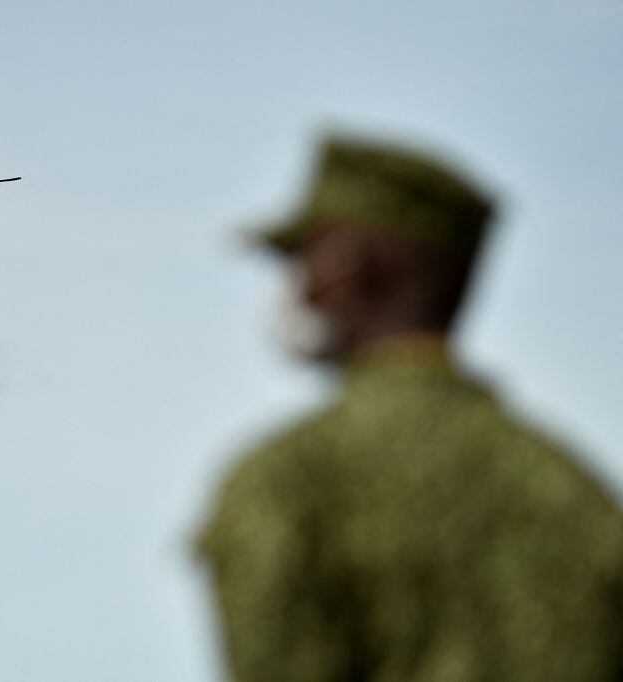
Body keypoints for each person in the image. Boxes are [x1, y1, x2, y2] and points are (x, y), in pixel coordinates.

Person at [197, 135, 623, 682]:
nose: (295, 288)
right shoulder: (572, 490)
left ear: (355, 267)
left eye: (303, 258)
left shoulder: (288, 480)